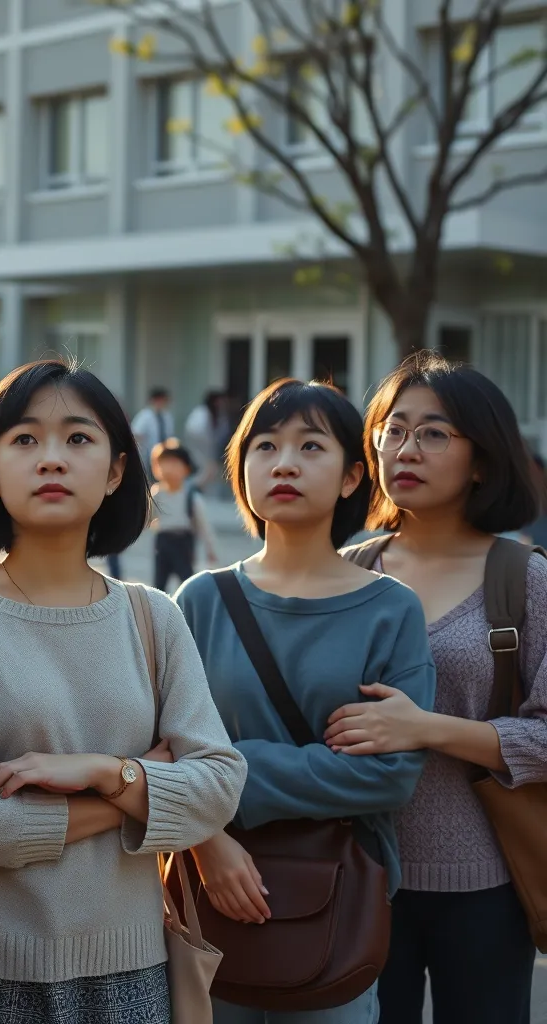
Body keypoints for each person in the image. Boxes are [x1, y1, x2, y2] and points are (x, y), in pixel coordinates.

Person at [0, 359, 247, 1024]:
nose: (51, 459)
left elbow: (218, 784)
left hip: (132, 972)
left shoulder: (151, 616)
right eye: (24, 440)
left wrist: (104, 771)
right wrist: (139, 790)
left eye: (77, 438)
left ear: (118, 470)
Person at [176, 378, 437, 1024]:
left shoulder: (391, 610)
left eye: (310, 446)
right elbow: (160, 756)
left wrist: (226, 769)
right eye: (264, 446)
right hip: (210, 889)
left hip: (341, 897)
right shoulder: (198, 601)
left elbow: (388, 775)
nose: (284, 462)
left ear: (353, 477)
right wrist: (210, 842)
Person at [327, 352, 547, 1024]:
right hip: (354, 875)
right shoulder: (343, 573)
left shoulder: (525, 579)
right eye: (392, 430)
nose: (405, 449)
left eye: (433, 433)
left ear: (481, 459)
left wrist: (426, 729)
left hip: (488, 885)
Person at [151, 439, 219, 592]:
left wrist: (210, 549)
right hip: (162, 542)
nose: (169, 468)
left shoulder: (191, 496)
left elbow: (203, 524)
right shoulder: (157, 493)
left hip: (183, 542)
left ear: (186, 469)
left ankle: (187, 612)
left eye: (174, 464)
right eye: (163, 463)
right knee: (158, 585)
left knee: (187, 583)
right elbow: (147, 518)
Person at [131, 386, 175, 476]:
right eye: (159, 400)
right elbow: (136, 434)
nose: (161, 403)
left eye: (163, 400)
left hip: (164, 454)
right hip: (148, 456)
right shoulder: (144, 416)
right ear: (153, 400)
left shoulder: (167, 416)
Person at [184, 390, 218, 489]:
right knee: (208, 470)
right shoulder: (202, 413)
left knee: (209, 470)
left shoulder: (206, 413)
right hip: (200, 447)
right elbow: (196, 432)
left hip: (203, 448)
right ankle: (192, 487)